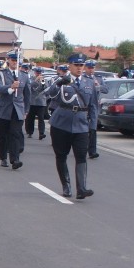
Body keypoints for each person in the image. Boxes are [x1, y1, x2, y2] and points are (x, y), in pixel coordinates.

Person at [45, 53, 94, 199]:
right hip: (61, 123)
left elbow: (93, 105)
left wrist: (93, 125)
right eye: (76, 65)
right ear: (70, 66)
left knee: (81, 156)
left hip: (81, 124)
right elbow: (49, 94)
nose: (79, 68)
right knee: (61, 155)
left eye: (81, 65)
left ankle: (81, 188)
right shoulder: (60, 80)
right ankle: (66, 186)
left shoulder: (89, 82)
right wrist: (60, 82)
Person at [0, 52, 31, 169]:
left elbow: (27, 94)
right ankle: (3, 157)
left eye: (17, 60)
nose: (15, 62)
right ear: (8, 60)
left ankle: (15, 159)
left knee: (15, 133)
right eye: (13, 60)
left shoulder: (24, 76)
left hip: (18, 109)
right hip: (4, 108)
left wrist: (26, 110)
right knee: (3, 134)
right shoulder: (1, 74)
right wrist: (10, 87)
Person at [84, 59, 107, 159]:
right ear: (85, 68)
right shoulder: (82, 78)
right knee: (82, 129)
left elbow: (106, 90)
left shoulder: (98, 78)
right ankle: (81, 147)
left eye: (92, 67)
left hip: (93, 106)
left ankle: (92, 151)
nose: (91, 69)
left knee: (93, 129)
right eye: (89, 68)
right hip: (84, 106)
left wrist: (98, 86)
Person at [26, 66, 48, 140]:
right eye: (37, 72)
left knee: (41, 118)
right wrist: (36, 80)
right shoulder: (31, 78)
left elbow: (46, 89)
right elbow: (29, 87)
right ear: (35, 72)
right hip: (32, 101)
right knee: (30, 118)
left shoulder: (44, 79)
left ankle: (41, 133)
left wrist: (43, 82)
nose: (38, 74)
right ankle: (29, 132)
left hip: (41, 102)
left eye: (40, 72)